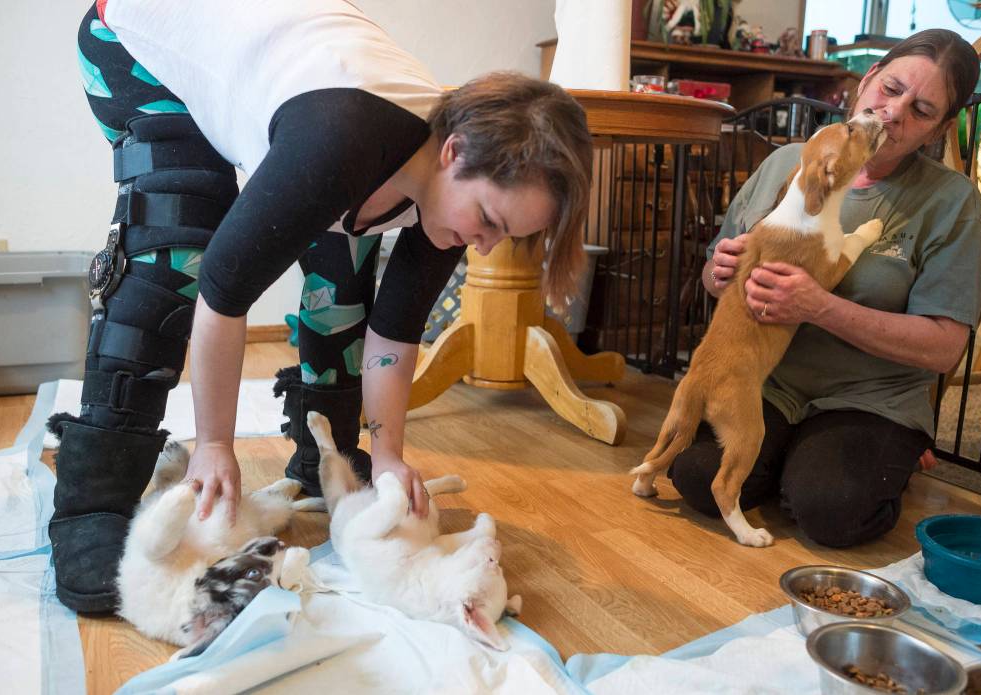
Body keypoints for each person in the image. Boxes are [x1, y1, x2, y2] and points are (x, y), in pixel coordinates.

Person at [53, 0, 592, 613]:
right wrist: (214, 446)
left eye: (505, 236)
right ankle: (93, 497)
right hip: (138, 40)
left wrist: (388, 454)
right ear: (455, 153)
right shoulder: (342, 141)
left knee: (340, 282)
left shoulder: (449, 200)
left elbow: (396, 331)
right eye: (491, 221)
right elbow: (223, 296)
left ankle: (324, 451)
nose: (487, 245)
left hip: (297, 83)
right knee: (176, 250)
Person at [669, 29, 981, 548]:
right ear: (865, 84)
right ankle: (793, 460)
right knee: (696, 476)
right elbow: (712, 274)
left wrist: (820, 307)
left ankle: (873, 455)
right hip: (767, 380)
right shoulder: (787, 161)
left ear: (939, 129)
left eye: (922, 109)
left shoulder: (951, 202)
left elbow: (946, 347)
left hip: (869, 397)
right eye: (890, 88)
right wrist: (719, 272)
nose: (894, 113)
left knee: (829, 510)